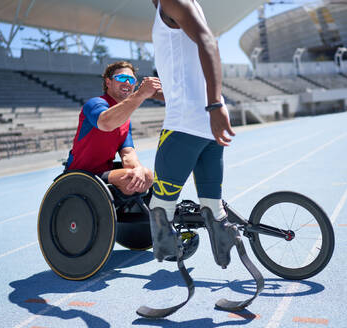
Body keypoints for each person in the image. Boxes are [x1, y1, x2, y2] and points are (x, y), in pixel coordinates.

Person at [137, 0, 249, 318]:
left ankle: (177, 257)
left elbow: (207, 40)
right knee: (213, 211)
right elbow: (191, 60)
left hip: (184, 126)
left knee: (159, 211)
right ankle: (232, 255)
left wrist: (215, 104)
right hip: (204, 131)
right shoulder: (184, 5)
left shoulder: (173, 1)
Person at [66, 61, 161, 195]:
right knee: (129, 178)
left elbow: (128, 154)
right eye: (121, 78)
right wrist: (140, 94)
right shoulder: (95, 103)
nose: (127, 82)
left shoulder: (125, 119)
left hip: (102, 173)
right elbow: (106, 123)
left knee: (147, 175)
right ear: (108, 82)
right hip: (80, 174)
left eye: (131, 79)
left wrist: (138, 168)